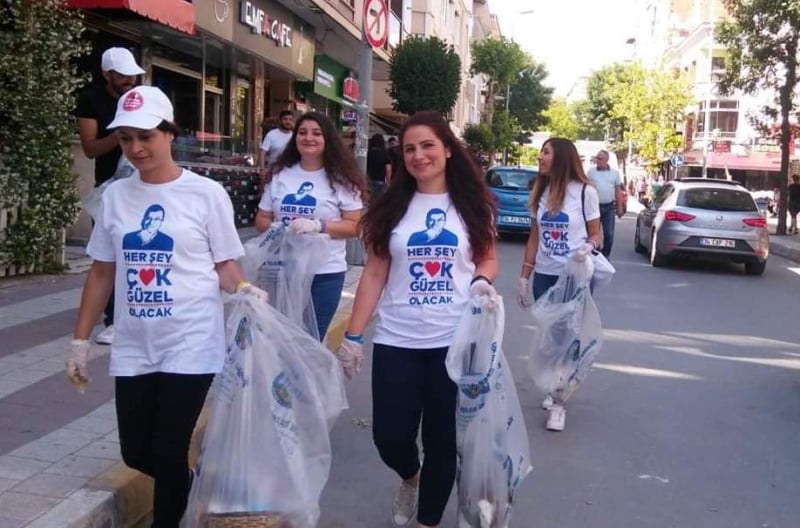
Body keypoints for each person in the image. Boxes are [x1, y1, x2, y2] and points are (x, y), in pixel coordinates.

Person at [65, 86, 268, 528]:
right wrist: (80, 341)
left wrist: (245, 291)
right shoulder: (116, 197)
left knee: (167, 447)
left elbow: (224, 264)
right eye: (125, 139)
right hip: (135, 343)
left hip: (191, 341)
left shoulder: (206, 194)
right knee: (135, 451)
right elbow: (101, 272)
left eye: (146, 137)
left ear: (169, 134)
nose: (136, 148)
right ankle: (190, 483)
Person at [335, 111, 498, 528]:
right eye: (409, 148)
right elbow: (374, 272)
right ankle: (411, 477)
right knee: (389, 436)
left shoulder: (472, 206)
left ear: (447, 149)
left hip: (454, 341)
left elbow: (487, 257)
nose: (419, 155)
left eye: (427, 145)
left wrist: (481, 281)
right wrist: (353, 336)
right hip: (397, 340)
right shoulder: (392, 208)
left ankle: (428, 520)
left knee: (443, 441)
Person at [254, 112, 366, 340]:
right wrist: (277, 229)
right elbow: (261, 218)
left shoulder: (342, 178)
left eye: (316, 133)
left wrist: (319, 226)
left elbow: (354, 226)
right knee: (278, 340)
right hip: (281, 270)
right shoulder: (280, 175)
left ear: (328, 139)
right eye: (302, 132)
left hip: (324, 274)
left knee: (308, 343)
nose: (309, 138)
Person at [517, 137, 602, 432]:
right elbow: (534, 237)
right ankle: (554, 385)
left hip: (574, 276)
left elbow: (596, 233)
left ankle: (559, 402)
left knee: (569, 338)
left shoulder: (585, 192)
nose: (540, 157)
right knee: (550, 338)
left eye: (546, 152)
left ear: (562, 158)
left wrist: (587, 248)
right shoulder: (541, 191)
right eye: (541, 151)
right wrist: (524, 276)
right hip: (545, 274)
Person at [76, 46, 145, 345]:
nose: (130, 80)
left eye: (133, 74)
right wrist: (120, 133)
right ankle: (113, 319)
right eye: (123, 74)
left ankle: (138, 312)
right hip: (110, 186)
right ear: (107, 74)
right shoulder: (91, 99)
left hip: (144, 182)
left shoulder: (140, 98)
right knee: (108, 255)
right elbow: (90, 147)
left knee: (140, 250)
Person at [586, 149, 624, 257]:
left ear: (607, 160)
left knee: (609, 234)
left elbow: (618, 191)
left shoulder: (615, 174)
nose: (597, 161)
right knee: (594, 234)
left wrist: (620, 206)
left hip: (609, 207)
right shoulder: (591, 172)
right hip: (594, 207)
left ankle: (605, 254)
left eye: (600, 159)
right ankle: (596, 254)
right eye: (596, 158)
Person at [259, 110, 294, 186]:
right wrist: (262, 169)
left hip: (289, 171)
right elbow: (263, 152)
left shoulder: (294, 137)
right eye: (285, 119)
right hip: (272, 171)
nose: (288, 122)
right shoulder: (271, 134)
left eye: (290, 120)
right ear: (280, 120)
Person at [367, 133, 392, 199]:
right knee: (378, 202)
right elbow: (388, 169)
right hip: (380, 180)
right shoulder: (385, 153)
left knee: (368, 201)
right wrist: (388, 182)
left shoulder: (368, 153)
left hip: (368, 180)